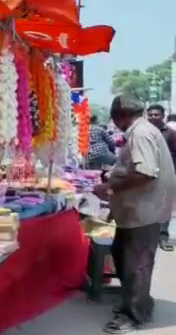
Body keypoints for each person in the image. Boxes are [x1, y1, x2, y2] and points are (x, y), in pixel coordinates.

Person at [93, 95, 176, 333]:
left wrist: (109, 188)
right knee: (124, 256)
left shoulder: (140, 133)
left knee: (136, 264)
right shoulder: (142, 130)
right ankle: (136, 303)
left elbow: (145, 173)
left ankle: (135, 315)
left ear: (119, 117)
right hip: (139, 209)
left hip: (144, 210)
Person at [146, 104, 176, 251]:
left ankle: (163, 237)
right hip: (145, 174)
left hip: (165, 174)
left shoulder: (170, 133)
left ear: (163, 116)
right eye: (150, 114)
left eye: (156, 115)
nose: (153, 117)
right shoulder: (143, 132)